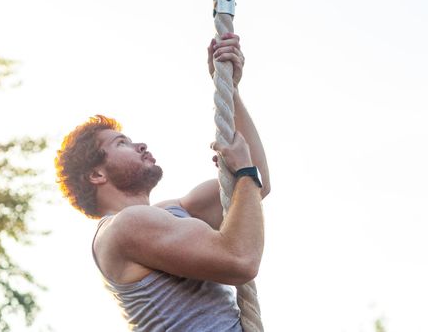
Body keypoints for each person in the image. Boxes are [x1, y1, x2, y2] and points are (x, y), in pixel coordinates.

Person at [55, 33, 270, 331]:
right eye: (122, 144)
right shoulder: (123, 227)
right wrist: (243, 172)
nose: (140, 145)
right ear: (96, 175)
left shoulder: (172, 211)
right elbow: (241, 261)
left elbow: (257, 185)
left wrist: (230, 90)